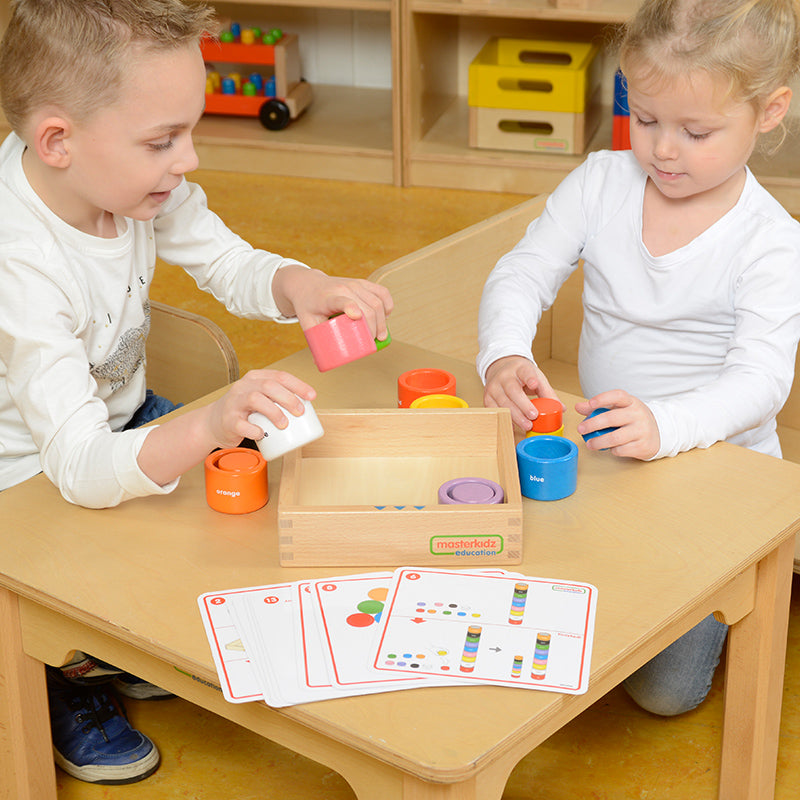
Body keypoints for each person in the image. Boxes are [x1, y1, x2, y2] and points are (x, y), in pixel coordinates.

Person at [0, 0, 392, 784]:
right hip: (27, 484)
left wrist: (299, 284)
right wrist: (210, 419)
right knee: (156, 502)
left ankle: (122, 639)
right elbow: (75, 467)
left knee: (234, 492)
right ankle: (57, 675)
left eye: (190, 131)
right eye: (163, 141)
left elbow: (226, 261)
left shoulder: (135, 179)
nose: (189, 161)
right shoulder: (20, 263)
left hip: (112, 424)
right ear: (57, 142)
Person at [478, 0, 800, 717]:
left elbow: (762, 381)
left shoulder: (772, 242)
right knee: (535, 606)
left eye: (697, 131)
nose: (662, 151)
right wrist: (503, 354)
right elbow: (522, 270)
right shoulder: (601, 180)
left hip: (719, 476)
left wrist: (664, 423)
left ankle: (757, 585)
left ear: (769, 111)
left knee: (662, 695)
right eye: (644, 118)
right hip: (610, 458)